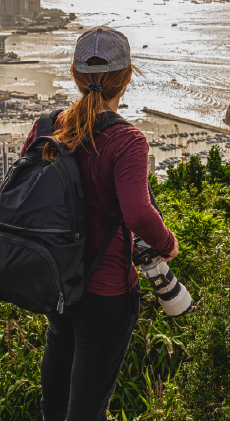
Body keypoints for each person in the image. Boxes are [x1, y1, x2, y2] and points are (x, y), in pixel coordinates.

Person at [20, 26, 179, 421]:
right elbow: (139, 214)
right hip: (106, 291)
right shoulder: (126, 140)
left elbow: (24, 192)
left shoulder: (46, 126)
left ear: (74, 76)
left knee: (54, 399)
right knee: (88, 409)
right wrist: (169, 243)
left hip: (56, 280)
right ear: (126, 78)